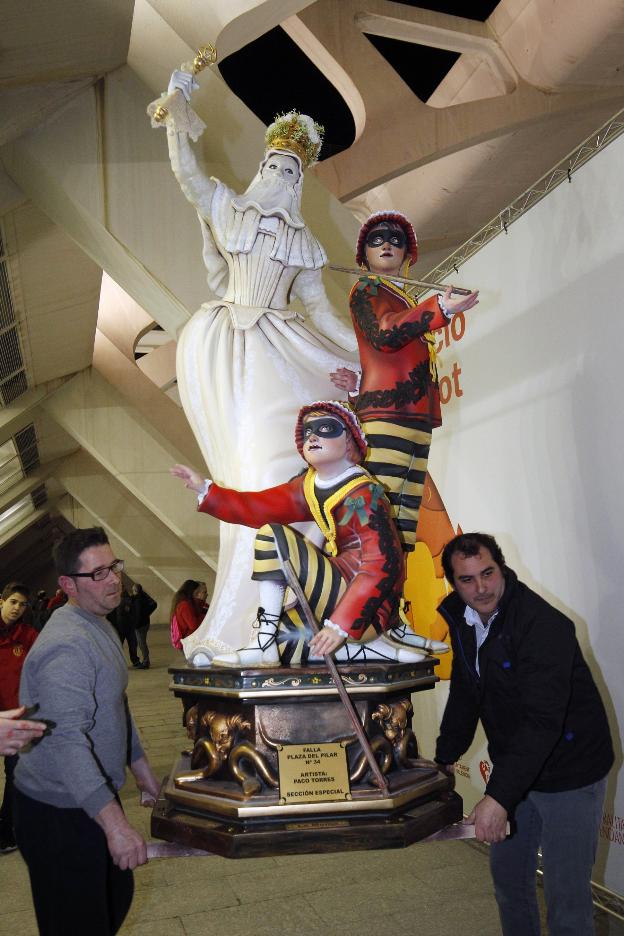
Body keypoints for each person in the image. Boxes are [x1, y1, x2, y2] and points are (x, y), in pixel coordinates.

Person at [150, 72, 358, 662]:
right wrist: (176, 112)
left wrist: (370, 357)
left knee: (279, 470)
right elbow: (187, 176)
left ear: (299, 184)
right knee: (245, 476)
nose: (279, 176)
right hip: (226, 349)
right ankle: (248, 628)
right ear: (259, 169)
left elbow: (322, 314)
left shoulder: (307, 244)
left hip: (279, 351)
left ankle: (289, 624)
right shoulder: (229, 209)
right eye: (273, 166)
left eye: (291, 171)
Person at [434, 532, 614, 936]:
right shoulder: (463, 620)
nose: (481, 588)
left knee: (566, 898)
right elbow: (466, 694)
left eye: (488, 573)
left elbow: (542, 721)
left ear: (502, 568)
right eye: (467, 580)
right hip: (518, 764)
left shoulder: (543, 625)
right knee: (510, 882)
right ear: (452, 582)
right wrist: (444, 758)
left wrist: (499, 797)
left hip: (570, 771)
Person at [172, 401, 429, 668]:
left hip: (369, 603)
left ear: (350, 440)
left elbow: (381, 564)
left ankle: (265, 643)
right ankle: (370, 651)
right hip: (340, 584)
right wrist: (206, 489)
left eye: (327, 428)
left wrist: (341, 625)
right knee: (290, 636)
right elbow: (258, 506)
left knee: (272, 536)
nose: (313, 436)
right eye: (308, 431)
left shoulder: (363, 493)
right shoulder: (310, 485)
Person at [13, 527, 161, 936]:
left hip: (86, 796)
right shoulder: (68, 645)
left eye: (114, 566)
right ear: (67, 585)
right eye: (98, 573)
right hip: (57, 811)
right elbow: (67, 741)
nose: (114, 578)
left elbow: (116, 703)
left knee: (116, 893)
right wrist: (115, 826)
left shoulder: (99, 623)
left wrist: (142, 770)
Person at [331, 211, 479, 554]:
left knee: (402, 526)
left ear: (407, 254)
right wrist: (439, 307)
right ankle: (367, 598)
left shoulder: (402, 299)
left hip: (415, 416)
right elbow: (384, 334)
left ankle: (389, 598)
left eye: (396, 240)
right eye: (376, 239)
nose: (386, 244)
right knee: (378, 516)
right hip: (387, 413)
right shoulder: (366, 290)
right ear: (363, 254)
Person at [0, 583, 38, 853]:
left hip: (16, 717)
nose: (17, 608)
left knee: (15, 776)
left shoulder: (28, 635)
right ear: (1, 601)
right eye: (13, 602)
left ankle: (5, 832)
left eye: (22, 604)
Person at [169, 580, 207, 650]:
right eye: (197, 591)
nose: (197, 594)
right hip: (187, 640)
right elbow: (193, 625)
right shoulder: (184, 605)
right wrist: (206, 617)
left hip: (188, 639)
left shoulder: (186, 603)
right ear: (192, 591)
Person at [128, 583, 157, 669]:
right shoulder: (144, 597)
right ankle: (146, 660)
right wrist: (147, 614)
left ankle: (146, 661)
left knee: (142, 643)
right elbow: (154, 604)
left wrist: (135, 625)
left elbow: (138, 615)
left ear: (135, 591)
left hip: (140, 625)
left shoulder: (138, 601)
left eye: (133, 590)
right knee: (142, 643)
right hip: (145, 623)